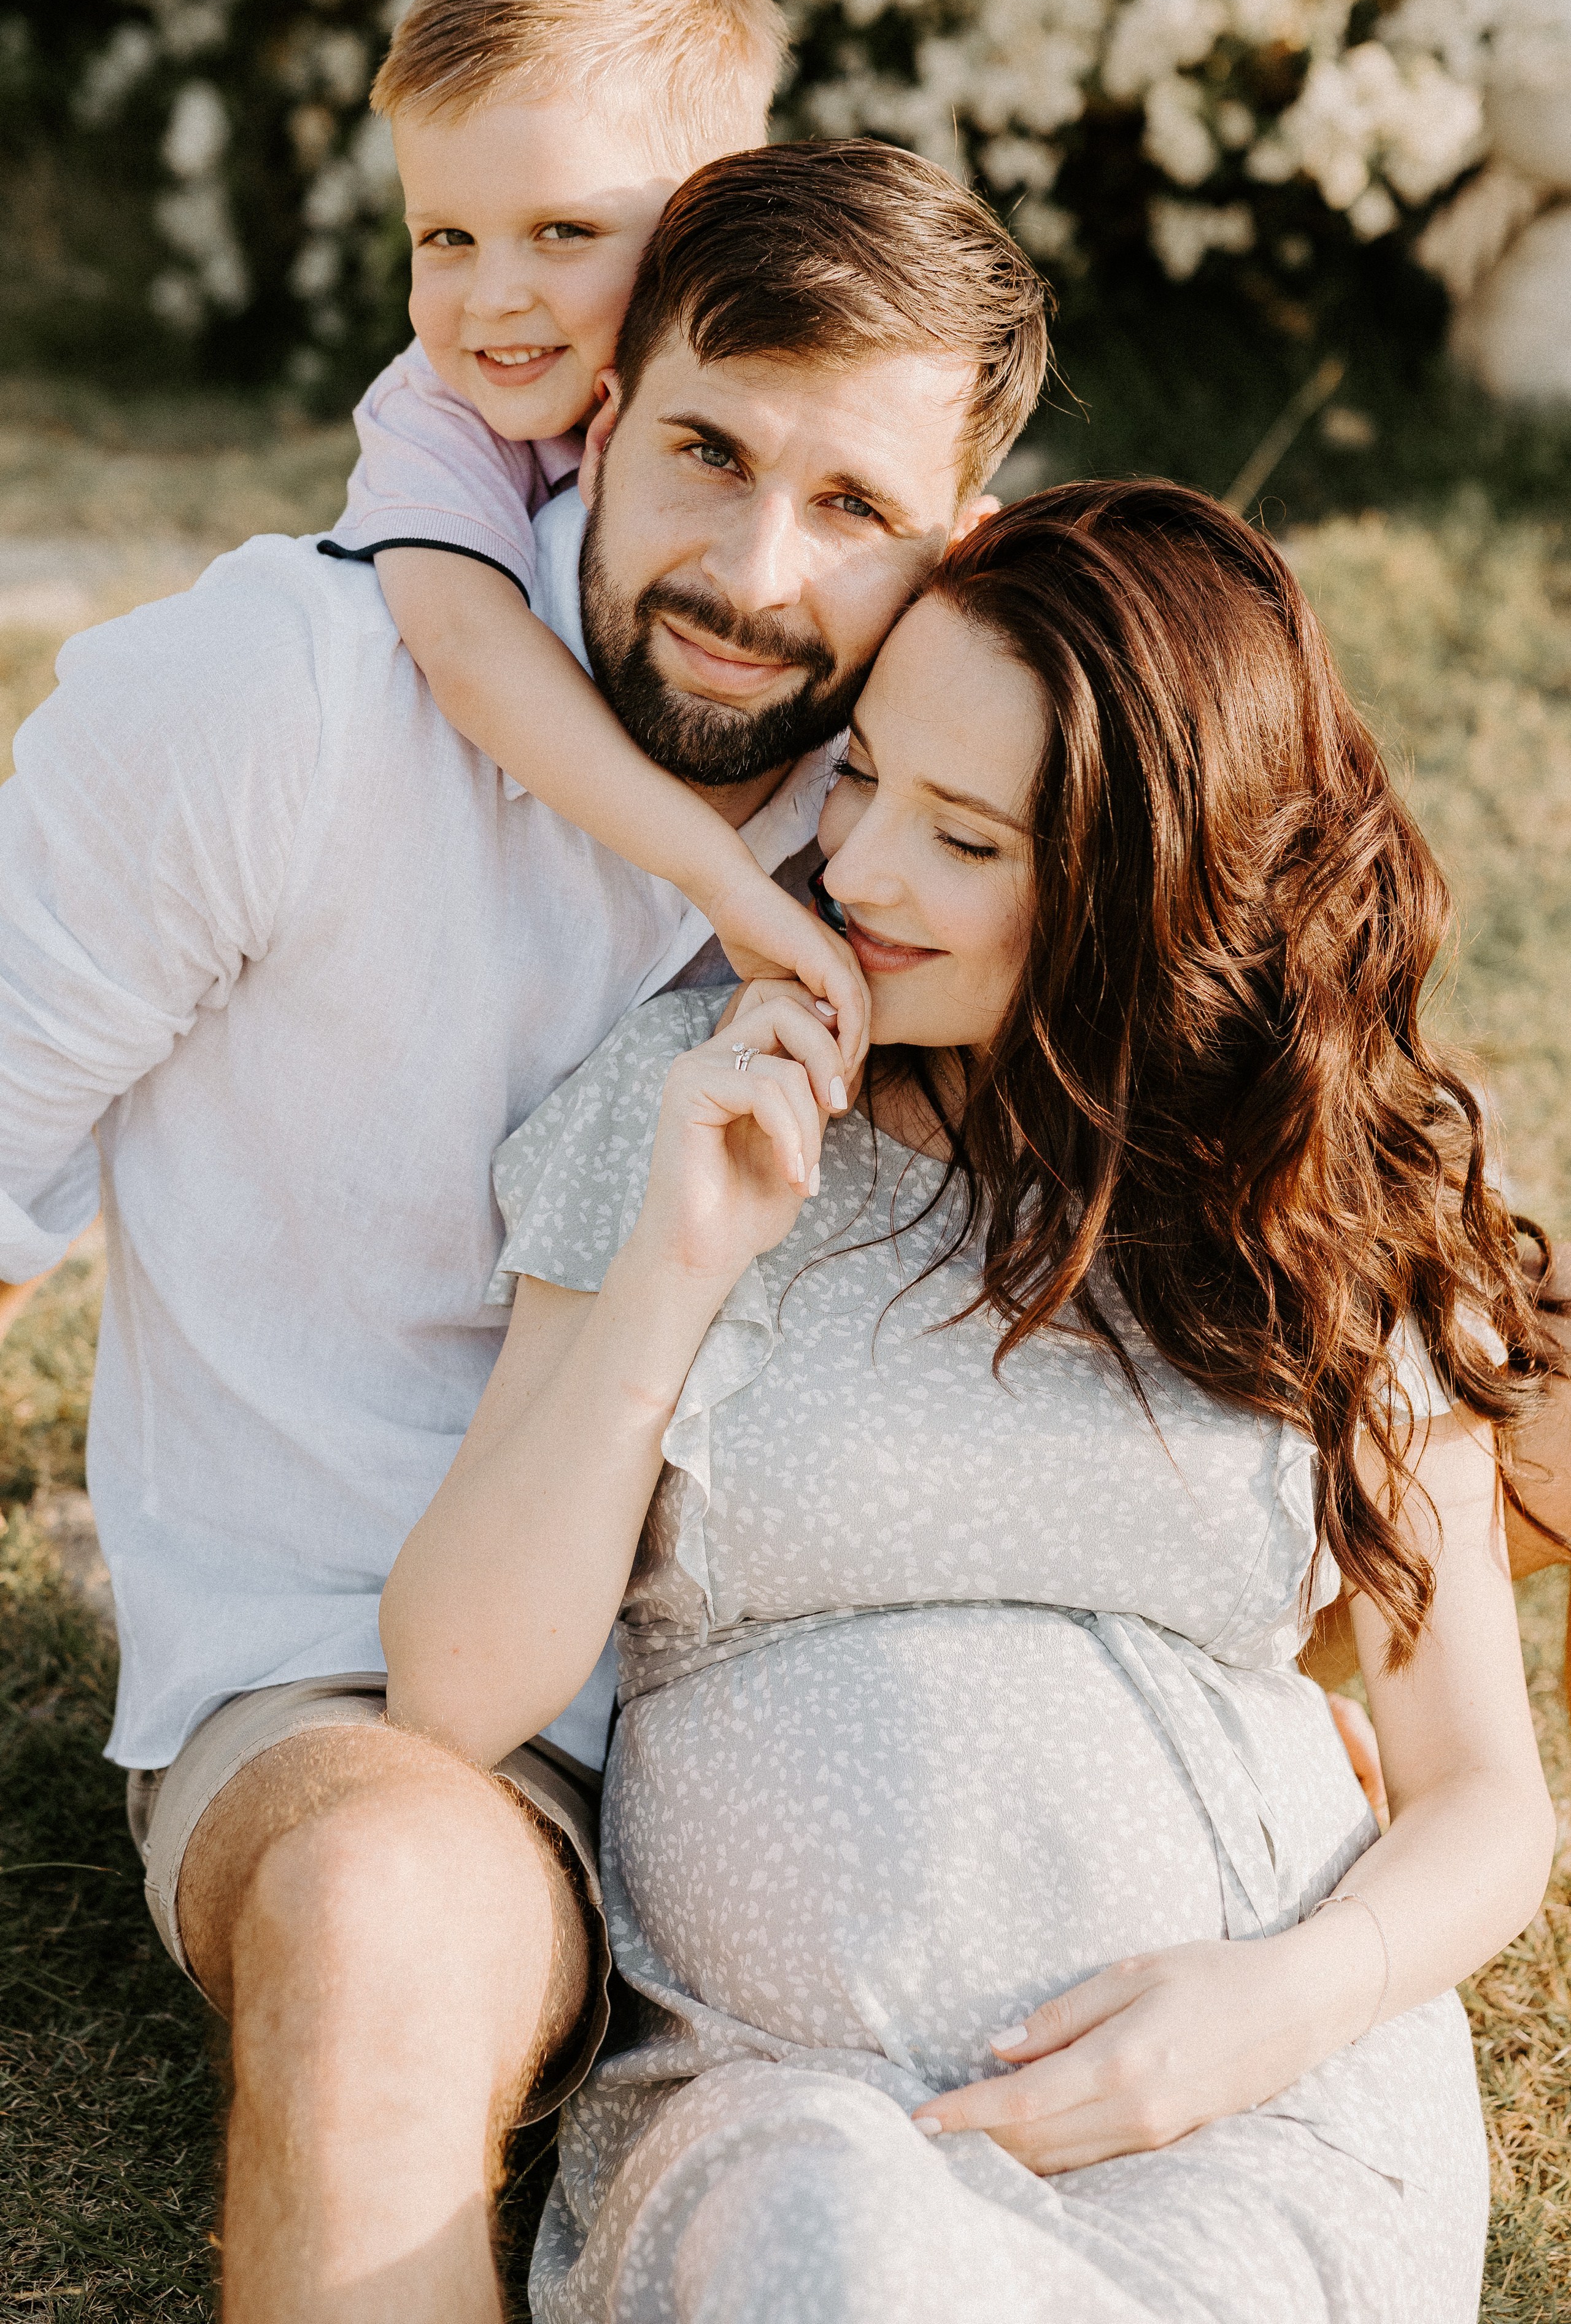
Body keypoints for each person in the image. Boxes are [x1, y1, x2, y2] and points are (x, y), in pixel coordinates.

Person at [0, 146, 1046, 2319]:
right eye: (708, 453)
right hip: (422, 1725)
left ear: (962, 541)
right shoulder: (274, 705)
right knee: (379, 1909)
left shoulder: (954, 791)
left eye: (855, 511)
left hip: (871, 1699)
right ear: (601, 399)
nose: (756, 571)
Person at [383, 481, 1560, 2323]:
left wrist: (1282, 2009)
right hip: (803, 2124)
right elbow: (454, 1683)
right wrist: (678, 1265)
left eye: (965, 839)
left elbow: (1485, 1794)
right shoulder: (694, 1093)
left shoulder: (1319, 1201)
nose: (856, 873)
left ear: (1137, 890)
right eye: (859, 777)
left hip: (1255, 2114)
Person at [319, 0, 870, 1054]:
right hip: (524, 947)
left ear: (710, 213)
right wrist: (723, 880)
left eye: (562, 231)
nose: (492, 297)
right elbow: (469, 647)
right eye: (445, 238)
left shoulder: (786, 381)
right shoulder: (438, 413)